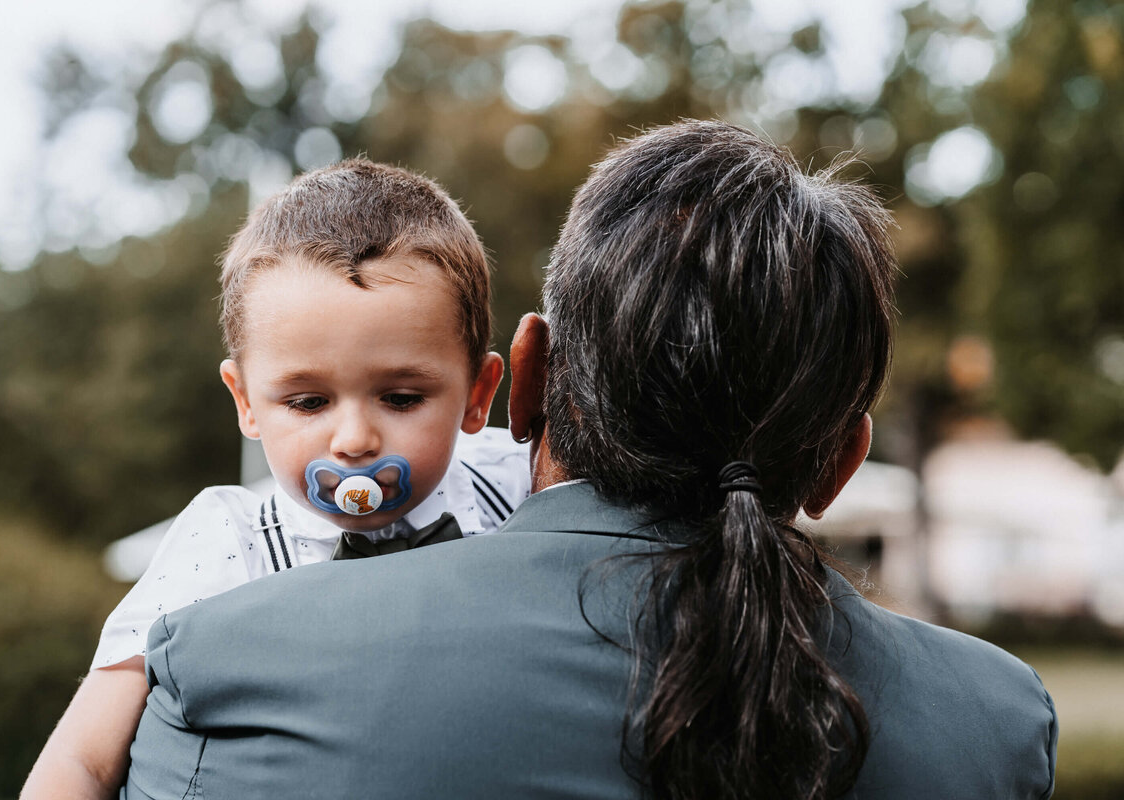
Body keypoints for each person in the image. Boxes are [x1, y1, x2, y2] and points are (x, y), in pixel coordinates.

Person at [119, 120, 1057, 800]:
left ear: (520, 378)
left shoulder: (229, 658)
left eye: (399, 396)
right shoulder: (995, 725)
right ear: (839, 462)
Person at [21, 160, 529, 798]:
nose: (353, 440)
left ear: (479, 394)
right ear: (247, 403)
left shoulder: (514, 487)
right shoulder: (229, 541)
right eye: (309, 403)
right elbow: (82, 759)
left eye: (400, 398)